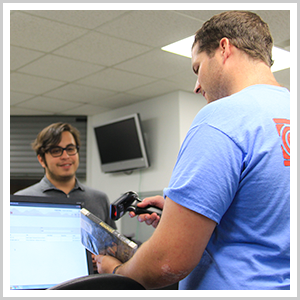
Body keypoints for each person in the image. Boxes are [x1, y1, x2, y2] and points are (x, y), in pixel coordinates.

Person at [94, 11, 290, 290]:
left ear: (224, 48)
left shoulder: (223, 116)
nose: (197, 86)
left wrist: (118, 272)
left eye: (198, 68)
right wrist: (184, 216)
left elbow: (167, 263)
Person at [14, 122, 116, 269]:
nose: (65, 156)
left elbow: (112, 247)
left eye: (70, 149)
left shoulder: (99, 199)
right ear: (41, 159)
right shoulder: (22, 201)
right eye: (56, 151)